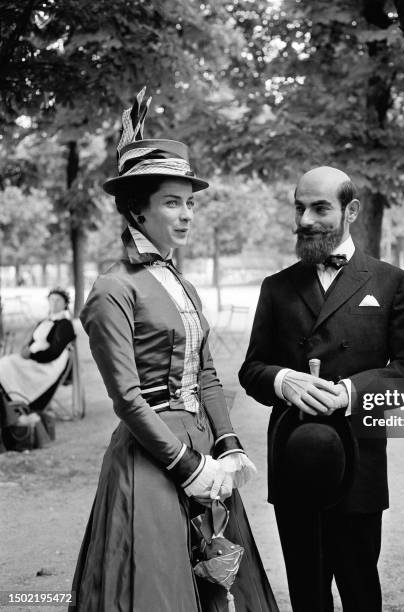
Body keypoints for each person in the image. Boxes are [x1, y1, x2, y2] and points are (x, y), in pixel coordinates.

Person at [71, 90, 278, 612]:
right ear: (136, 210)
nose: (186, 215)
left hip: (204, 447)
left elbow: (206, 372)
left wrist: (228, 444)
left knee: (219, 576)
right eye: (172, 202)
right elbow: (126, 398)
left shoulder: (179, 282)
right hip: (152, 456)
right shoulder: (112, 288)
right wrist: (188, 467)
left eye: (190, 202)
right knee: (161, 588)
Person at [239, 166, 404, 611]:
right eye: (299, 207)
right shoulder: (277, 287)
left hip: (359, 461)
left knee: (361, 588)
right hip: (293, 457)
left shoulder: (392, 283)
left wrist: (350, 392)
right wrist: (283, 381)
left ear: (351, 211)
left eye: (320, 208)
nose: (305, 219)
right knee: (306, 592)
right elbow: (252, 369)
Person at [0, 287, 75, 412]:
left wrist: (32, 356)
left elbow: (55, 352)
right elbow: (33, 341)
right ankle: (8, 402)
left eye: (58, 300)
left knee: (5, 364)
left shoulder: (65, 324)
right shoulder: (45, 321)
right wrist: (27, 349)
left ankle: (15, 402)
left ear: (65, 304)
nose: (54, 303)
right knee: (6, 362)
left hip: (48, 364)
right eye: (51, 300)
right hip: (35, 358)